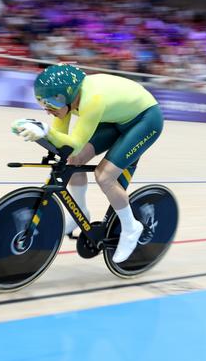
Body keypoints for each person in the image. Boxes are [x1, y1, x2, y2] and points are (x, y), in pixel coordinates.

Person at [11, 63, 164, 263]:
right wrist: (37, 131)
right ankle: (80, 211)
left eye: (50, 104)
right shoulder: (70, 99)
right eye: (43, 105)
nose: (48, 111)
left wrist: (46, 131)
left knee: (105, 176)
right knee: (73, 161)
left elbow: (72, 143)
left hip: (146, 120)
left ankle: (131, 227)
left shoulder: (92, 100)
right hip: (116, 119)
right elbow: (63, 143)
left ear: (65, 96)